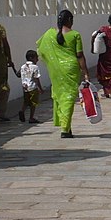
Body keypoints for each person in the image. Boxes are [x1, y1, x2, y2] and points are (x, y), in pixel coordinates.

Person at [36, 10, 90, 139]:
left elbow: (40, 49)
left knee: (60, 96)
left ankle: (66, 126)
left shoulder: (49, 34)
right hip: (71, 69)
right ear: (69, 20)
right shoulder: (75, 35)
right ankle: (65, 129)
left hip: (56, 70)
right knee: (69, 98)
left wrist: (53, 62)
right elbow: (80, 56)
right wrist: (85, 73)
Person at [90, 13, 111, 98]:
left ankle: (107, 91)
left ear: (108, 20)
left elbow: (94, 37)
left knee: (103, 73)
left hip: (105, 56)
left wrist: (92, 48)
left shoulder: (103, 29)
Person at [18, 49, 43, 124]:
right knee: (33, 103)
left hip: (25, 87)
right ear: (32, 58)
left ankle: (22, 110)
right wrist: (40, 88)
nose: (37, 59)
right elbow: (36, 78)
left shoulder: (22, 67)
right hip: (33, 87)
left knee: (26, 101)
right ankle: (31, 118)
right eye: (36, 57)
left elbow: (18, 74)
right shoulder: (35, 67)